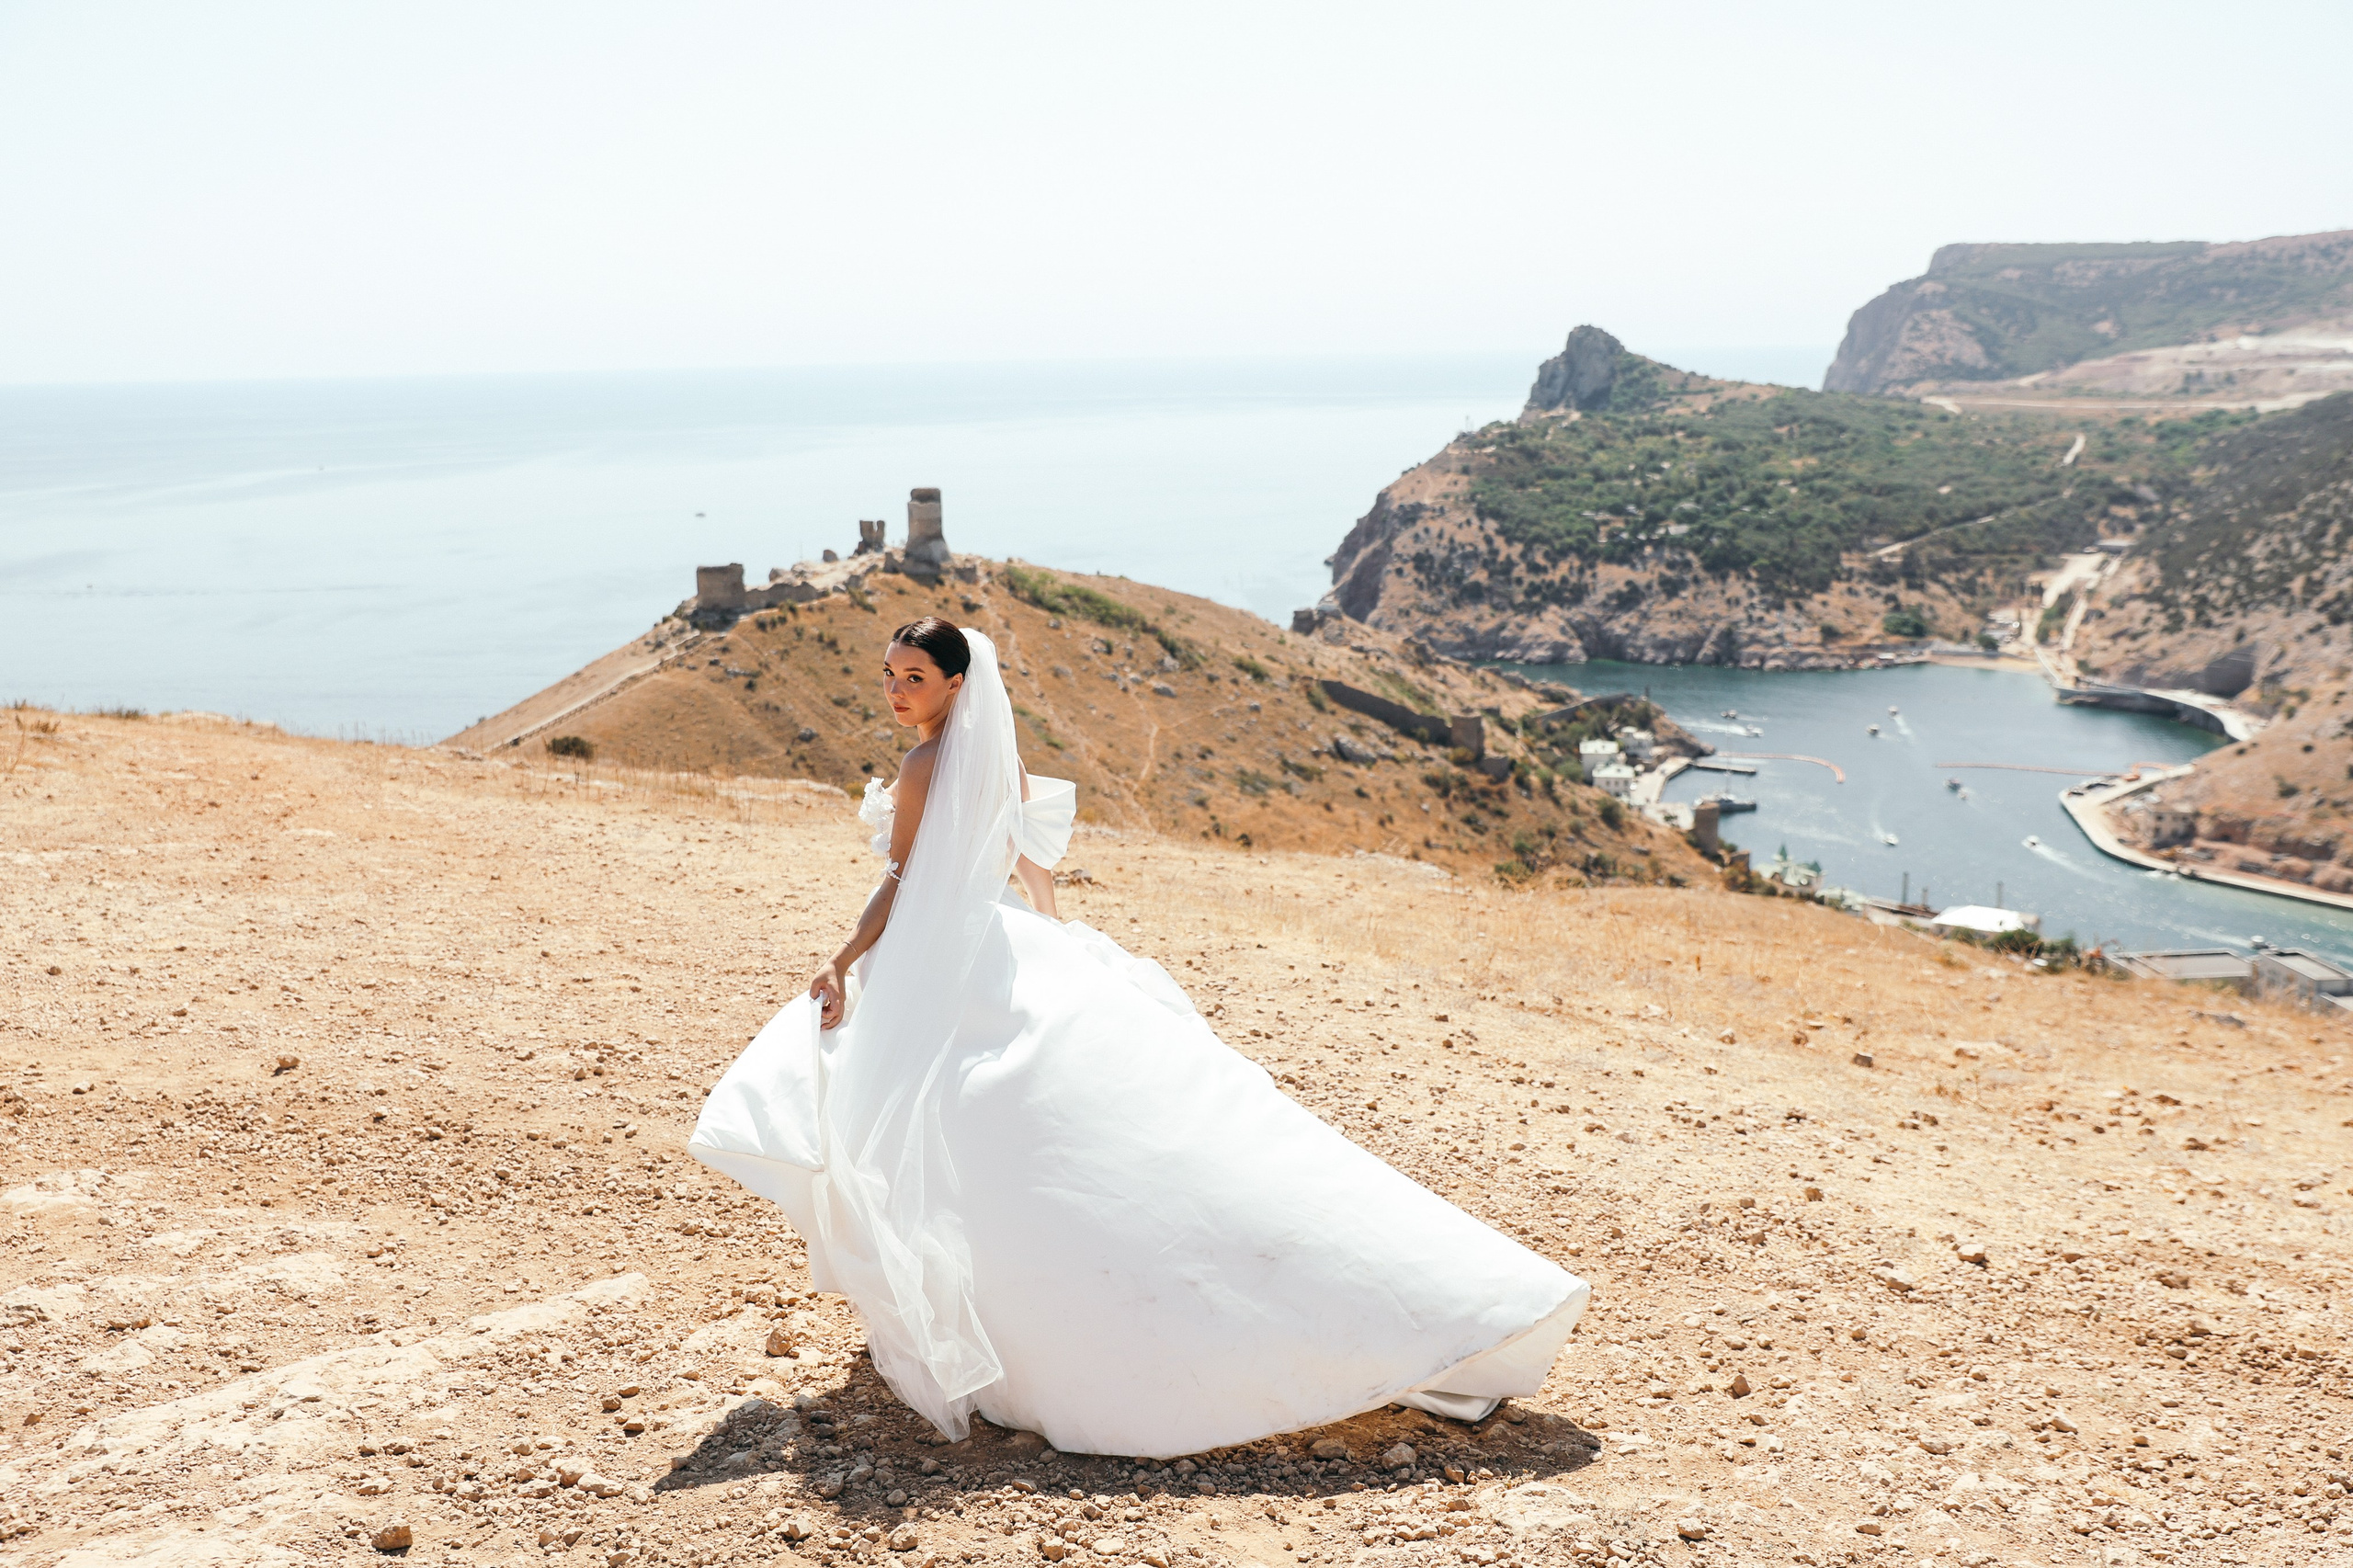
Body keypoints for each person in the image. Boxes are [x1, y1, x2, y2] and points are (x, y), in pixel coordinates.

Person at [690, 618, 1587, 1460]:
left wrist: (842, 959)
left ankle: (1041, 1328)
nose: (895, 690)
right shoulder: (988, 751)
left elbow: (901, 877)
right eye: (889, 675)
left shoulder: (930, 760)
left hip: (948, 955)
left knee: (960, 1132)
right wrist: (1058, 931)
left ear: (956, 682)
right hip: (992, 943)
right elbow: (1022, 857)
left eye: (913, 677)